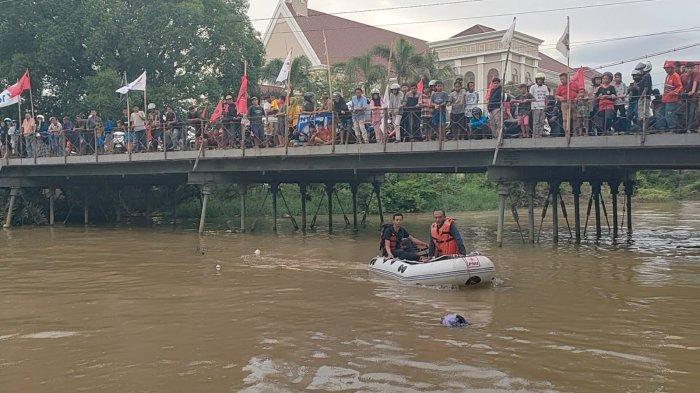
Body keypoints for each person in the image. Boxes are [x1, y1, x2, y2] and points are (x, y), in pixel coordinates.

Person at [660, 63, 683, 132]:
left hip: (672, 99)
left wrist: (673, 93)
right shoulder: (667, 76)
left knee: (670, 114)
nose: (665, 70)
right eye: (665, 68)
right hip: (665, 99)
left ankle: (672, 128)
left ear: (672, 68)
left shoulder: (675, 76)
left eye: (667, 68)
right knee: (662, 113)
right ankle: (664, 128)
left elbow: (680, 86)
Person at [555, 73, 577, 137]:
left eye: (563, 79)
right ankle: (567, 133)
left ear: (567, 78)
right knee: (565, 119)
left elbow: (580, 92)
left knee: (575, 118)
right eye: (560, 79)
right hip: (564, 103)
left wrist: (577, 98)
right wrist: (560, 97)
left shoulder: (574, 84)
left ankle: (575, 132)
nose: (561, 80)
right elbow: (556, 95)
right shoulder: (560, 86)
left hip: (574, 103)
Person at [530, 73, 549, 137]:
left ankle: (540, 134)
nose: (539, 81)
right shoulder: (533, 87)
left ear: (543, 80)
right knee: (536, 122)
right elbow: (530, 96)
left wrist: (546, 105)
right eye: (538, 79)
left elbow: (546, 97)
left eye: (541, 79)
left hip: (543, 106)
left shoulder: (545, 87)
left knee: (542, 121)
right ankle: (535, 134)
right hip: (535, 107)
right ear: (536, 80)